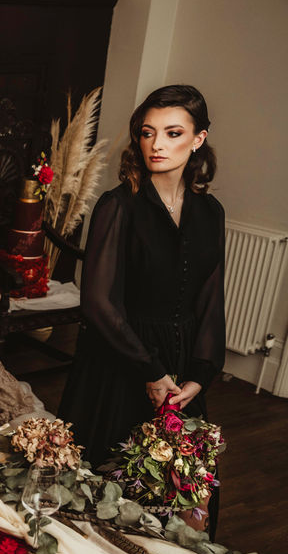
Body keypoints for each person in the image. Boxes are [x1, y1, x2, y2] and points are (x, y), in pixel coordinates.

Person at [59, 85, 224, 529]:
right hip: (119, 358)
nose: (157, 144)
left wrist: (200, 375)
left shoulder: (211, 212)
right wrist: (150, 371)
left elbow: (211, 299)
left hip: (181, 366)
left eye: (173, 133)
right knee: (103, 493)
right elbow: (98, 302)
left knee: (181, 498)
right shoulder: (118, 206)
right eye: (148, 133)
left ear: (198, 139)